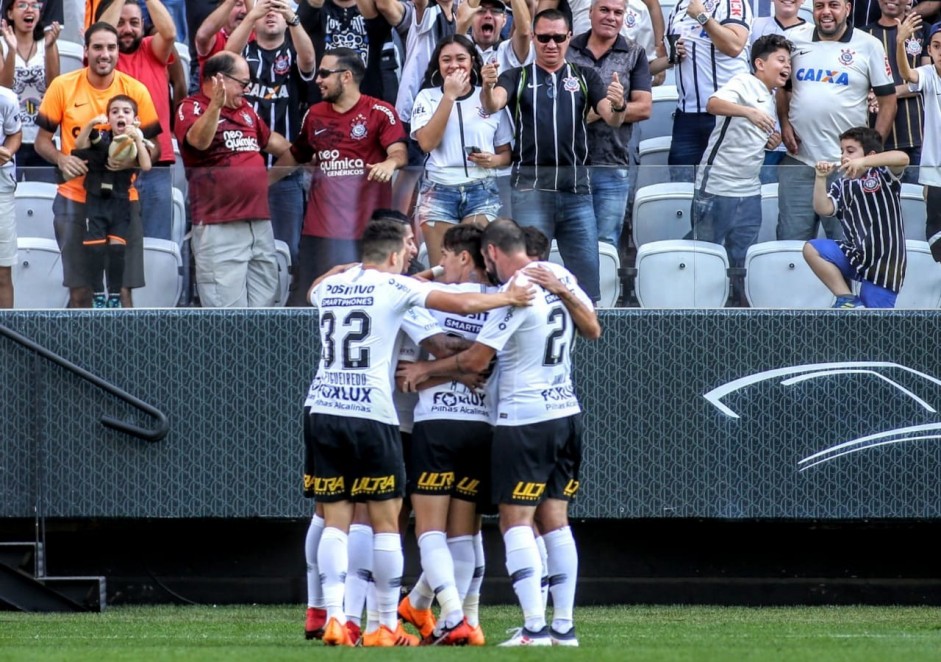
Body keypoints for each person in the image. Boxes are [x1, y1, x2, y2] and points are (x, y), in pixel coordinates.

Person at [304, 218, 533, 647]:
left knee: (335, 517)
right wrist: (509, 296)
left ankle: (334, 614)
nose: (416, 252)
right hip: (373, 413)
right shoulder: (397, 290)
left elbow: (314, 286)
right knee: (387, 521)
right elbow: (459, 306)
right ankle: (387, 624)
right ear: (394, 256)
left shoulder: (331, 287)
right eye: (408, 247)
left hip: (322, 407)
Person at [398, 219, 601, 647]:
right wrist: (563, 293)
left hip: (524, 419)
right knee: (556, 522)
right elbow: (594, 328)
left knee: (515, 520)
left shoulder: (517, 291)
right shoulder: (558, 275)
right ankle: (563, 627)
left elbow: (475, 362)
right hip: (567, 412)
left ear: (489, 253)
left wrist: (424, 370)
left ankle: (533, 628)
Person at [480, 8, 629, 303]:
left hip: (577, 192)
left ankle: (587, 346)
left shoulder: (585, 75)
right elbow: (493, 104)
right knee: (528, 279)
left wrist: (619, 104)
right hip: (531, 190)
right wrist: (486, 85)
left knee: (585, 286)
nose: (551, 44)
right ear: (533, 38)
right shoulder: (516, 76)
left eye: (558, 37)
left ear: (569, 38)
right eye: (545, 37)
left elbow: (611, 119)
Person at [34, 22, 161, 309]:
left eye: (111, 48)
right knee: (81, 293)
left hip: (123, 202)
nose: (105, 54)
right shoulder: (63, 86)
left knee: (123, 293)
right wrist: (62, 158)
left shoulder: (135, 90)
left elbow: (157, 148)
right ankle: (78, 355)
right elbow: (42, 141)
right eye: (98, 47)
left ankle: (124, 355)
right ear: (86, 51)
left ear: (118, 51)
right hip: (74, 202)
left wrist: (133, 157)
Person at [269, 48, 408, 306]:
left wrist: (390, 163)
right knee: (313, 301)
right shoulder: (314, 114)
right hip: (321, 231)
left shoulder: (380, 112)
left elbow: (399, 151)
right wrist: (261, 184)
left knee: (365, 302)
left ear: (346, 77)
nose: (318, 80)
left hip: (367, 232)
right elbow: (296, 155)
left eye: (324, 73)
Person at [174, 51, 290, 307]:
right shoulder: (191, 107)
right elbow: (199, 142)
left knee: (265, 308)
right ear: (218, 80)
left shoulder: (246, 111)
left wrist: (308, 152)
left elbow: (279, 146)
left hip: (259, 224)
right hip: (220, 225)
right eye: (242, 83)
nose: (246, 90)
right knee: (226, 316)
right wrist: (215, 106)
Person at [777, 0, 897, 241]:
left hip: (847, 167)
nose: (826, 12)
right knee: (791, 245)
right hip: (799, 161)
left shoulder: (869, 45)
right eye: (819, 6)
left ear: (848, 9)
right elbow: (783, 88)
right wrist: (784, 122)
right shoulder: (793, 40)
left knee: (848, 244)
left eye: (834, 5)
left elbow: (888, 102)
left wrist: (869, 154)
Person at [225, 0, 315, 267]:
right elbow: (227, 58)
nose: (271, 12)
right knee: (242, 253)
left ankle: (283, 304)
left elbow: (309, 60)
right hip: (242, 175)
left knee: (286, 252)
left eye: (279, 6)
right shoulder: (245, 55)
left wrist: (294, 19)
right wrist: (251, 16)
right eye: (266, 6)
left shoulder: (295, 51)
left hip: (285, 175)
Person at [692, 34, 792, 275]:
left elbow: (750, 133)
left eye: (789, 62)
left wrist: (770, 142)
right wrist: (748, 112)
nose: (787, 67)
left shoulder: (771, 95)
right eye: (781, 60)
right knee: (707, 254)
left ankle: (737, 305)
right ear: (759, 63)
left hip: (750, 190)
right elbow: (712, 104)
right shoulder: (743, 81)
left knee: (743, 257)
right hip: (718, 187)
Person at [411, 34, 512, 266]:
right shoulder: (427, 97)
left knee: (475, 268)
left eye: (460, 58)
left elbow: (506, 153)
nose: (454, 65)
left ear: (472, 61)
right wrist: (449, 95)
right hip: (438, 189)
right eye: (446, 59)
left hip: (481, 188)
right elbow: (426, 143)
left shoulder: (488, 97)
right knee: (445, 270)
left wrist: (493, 160)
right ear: (438, 64)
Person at [566, 0, 652, 248]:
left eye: (618, 12)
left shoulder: (635, 52)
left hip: (612, 162)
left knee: (606, 242)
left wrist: (604, 110)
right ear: (590, 12)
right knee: (570, 242)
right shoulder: (567, 48)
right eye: (604, 10)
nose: (611, 17)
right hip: (568, 164)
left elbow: (644, 107)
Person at [97, 0, 178, 241]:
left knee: (157, 244)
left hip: (155, 165)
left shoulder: (152, 49)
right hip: (113, 166)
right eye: (120, 23)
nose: (127, 29)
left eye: (134, 22)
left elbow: (170, 33)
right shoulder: (103, 57)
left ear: (144, 25)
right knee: (114, 247)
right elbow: (100, 32)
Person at [804, 126, 908, 308]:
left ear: (871, 154)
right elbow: (824, 208)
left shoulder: (884, 175)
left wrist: (865, 163)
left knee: (875, 323)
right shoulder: (842, 183)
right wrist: (820, 178)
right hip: (856, 255)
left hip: (885, 263)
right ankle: (847, 298)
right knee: (812, 249)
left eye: (850, 151)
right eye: (842, 151)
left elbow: (903, 158)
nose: (844, 155)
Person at [71, 95, 153, 308]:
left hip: (121, 202)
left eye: (126, 111)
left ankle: (114, 294)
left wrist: (137, 138)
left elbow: (145, 166)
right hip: (96, 202)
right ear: (108, 117)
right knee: (95, 248)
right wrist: (90, 124)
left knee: (117, 250)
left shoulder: (136, 142)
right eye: (115, 111)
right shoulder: (100, 137)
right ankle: (98, 292)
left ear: (135, 118)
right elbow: (79, 146)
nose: (120, 115)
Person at [665, 0, 752, 171]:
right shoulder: (678, 6)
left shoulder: (733, 3)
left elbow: (734, 46)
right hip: (686, 115)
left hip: (725, 114)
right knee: (682, 188)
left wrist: (701, 16)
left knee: (725, 185)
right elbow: (667, 53)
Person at [863, 0, 929, 184]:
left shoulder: (923, 29)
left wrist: (888, 93)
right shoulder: (862, 35)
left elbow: (929, 79)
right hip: (876, 137)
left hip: (915, 136)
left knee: (915, 204)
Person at [298, 0, 405, 105]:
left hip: (369, 102)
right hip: (324, 104)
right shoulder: (317, 9)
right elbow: (301, 23)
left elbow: (376, 20)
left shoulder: (371, 9)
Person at [748, 0, 807, 183]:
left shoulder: (813, 33)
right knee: (766, 200)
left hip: (800, 139)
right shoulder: (755, 25)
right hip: (763, 136)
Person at [0, 0, 60, 178]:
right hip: (10, 138)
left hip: (42, 139)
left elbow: (55, 87)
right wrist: (12, 51)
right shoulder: (2, 44)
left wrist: (49, 48)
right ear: (10, 13)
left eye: (34, 5)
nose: (30, 10)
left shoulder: (47, 43)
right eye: (22, 5)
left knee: (43, 195)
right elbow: (3, 89)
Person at [897, 14, 941, 255]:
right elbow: (908, 75)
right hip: (936, 176)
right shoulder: (928, 73)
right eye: (937, 46)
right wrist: (899, 43)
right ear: (930, 50)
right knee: (937, 243)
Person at [0, 83, 21, 308]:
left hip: (1, 189)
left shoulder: (6, 98)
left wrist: (8, 151)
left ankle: (4, 342)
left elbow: (14, 134)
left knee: (2, 272)